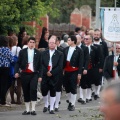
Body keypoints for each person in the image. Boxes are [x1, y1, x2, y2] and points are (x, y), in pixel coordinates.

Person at [15, 37, 42, 115]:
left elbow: (40, 65)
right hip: (25, 74)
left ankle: (33, 109)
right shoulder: (22, 52)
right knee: (26, 90)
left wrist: (40, 76)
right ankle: (27, 109)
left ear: (35, 43)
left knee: (33, 89)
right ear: (28, 43)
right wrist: (16, 72)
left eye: (33, 42)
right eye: (30, 42)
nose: (32, 44)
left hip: (34, 74)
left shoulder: (38, 52)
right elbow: (18, 63)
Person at [41, 36, 63, 114]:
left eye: (53, 43)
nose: (51, 44)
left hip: (54, 74)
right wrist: (46, 71)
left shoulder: (60, 54)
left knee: (53, 90)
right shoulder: (43, 53)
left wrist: (52, 72)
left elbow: (60, 66)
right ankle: (46, 104)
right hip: (45, 74)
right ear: (48, 44)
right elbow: (41, 64)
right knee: (44, 90)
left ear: (56, 43)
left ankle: (51, 108)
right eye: (50, 43)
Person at [63, 35, 83, 111]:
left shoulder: (79, 50)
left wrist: (79, 73)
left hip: (75, 70)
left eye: (69, 40)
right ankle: (69, 100)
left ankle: (72, 104)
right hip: (66, 70)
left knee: (73, 86)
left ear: (73, 41)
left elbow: (81, 62)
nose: (67, 42)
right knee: (67, 87)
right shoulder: (65, 49)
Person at [0, 36, 15, 106]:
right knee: (4, 85)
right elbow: (12, 60)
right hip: (5, 68)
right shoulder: (7, 50)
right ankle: (2, 101)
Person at [76, 34, 89, 104]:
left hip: (83, 68)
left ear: (81, 39)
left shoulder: (85, 48)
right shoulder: (73, 47)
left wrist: (85, 68)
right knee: (77, 83)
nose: (76, 40)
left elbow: (87, 59)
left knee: (83, 83)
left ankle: (84, 97)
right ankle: (80, 97)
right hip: (75, 68)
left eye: (78, 39)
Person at [8, 36, 22, 104]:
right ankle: (18, 100)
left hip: (11, 68)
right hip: (18, 67)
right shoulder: (18, 48)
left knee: (12, 85)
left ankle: (12, 100)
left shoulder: (9, 49)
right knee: (19, 84)